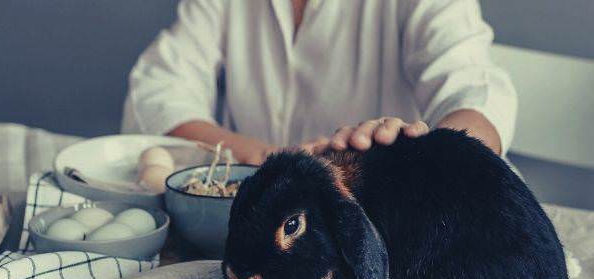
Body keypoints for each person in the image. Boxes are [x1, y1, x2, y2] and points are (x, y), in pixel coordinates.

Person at [122, 0, 517, 164]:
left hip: (382, 225)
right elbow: (161, 90)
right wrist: (272, 161)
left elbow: (474, 87)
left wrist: (429, 164)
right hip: (261, 235)